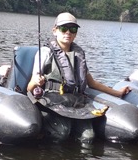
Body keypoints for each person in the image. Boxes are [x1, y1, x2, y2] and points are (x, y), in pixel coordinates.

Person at [26, 12, 131, 143]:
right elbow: (29, 87)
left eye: (73, 29)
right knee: (61, 133)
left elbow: (92, 83)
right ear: (55, 31)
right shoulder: (45, 53)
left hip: (76, 102)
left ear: (76, 33)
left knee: (88, 137)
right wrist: (36, 82)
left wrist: (117, 93)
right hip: (53, 102)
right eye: (63, 28)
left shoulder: (78, 55)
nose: (68, 32)